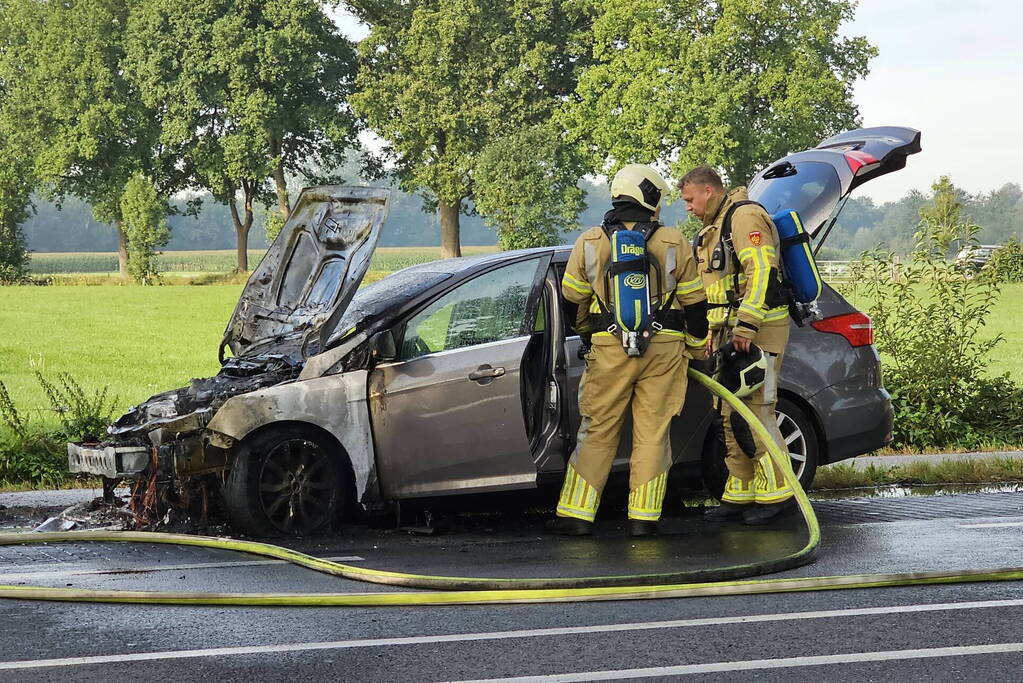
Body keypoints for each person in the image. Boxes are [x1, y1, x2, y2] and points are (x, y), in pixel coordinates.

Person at [548, 164, 709, 537]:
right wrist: (698, 347)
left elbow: (572, 302)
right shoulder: (673, 241)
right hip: (665, 347)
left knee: (599, 428)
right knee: (653, 432)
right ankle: (643, 520)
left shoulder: (589, 241)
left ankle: (576, 515)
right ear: (649, 195)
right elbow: (695, 304)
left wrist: (591, 336)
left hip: (609, 347)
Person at [679, 165, 795, 525]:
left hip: (758, 332)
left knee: (756, 412)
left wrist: (746, 325)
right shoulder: (713, 229)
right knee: (729, 415)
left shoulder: (744, 217)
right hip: (730, 335)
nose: (687, 207)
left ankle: (780, 494)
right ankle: (740, 494)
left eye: (689, 199)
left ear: (708, 192)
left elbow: (762, 271)